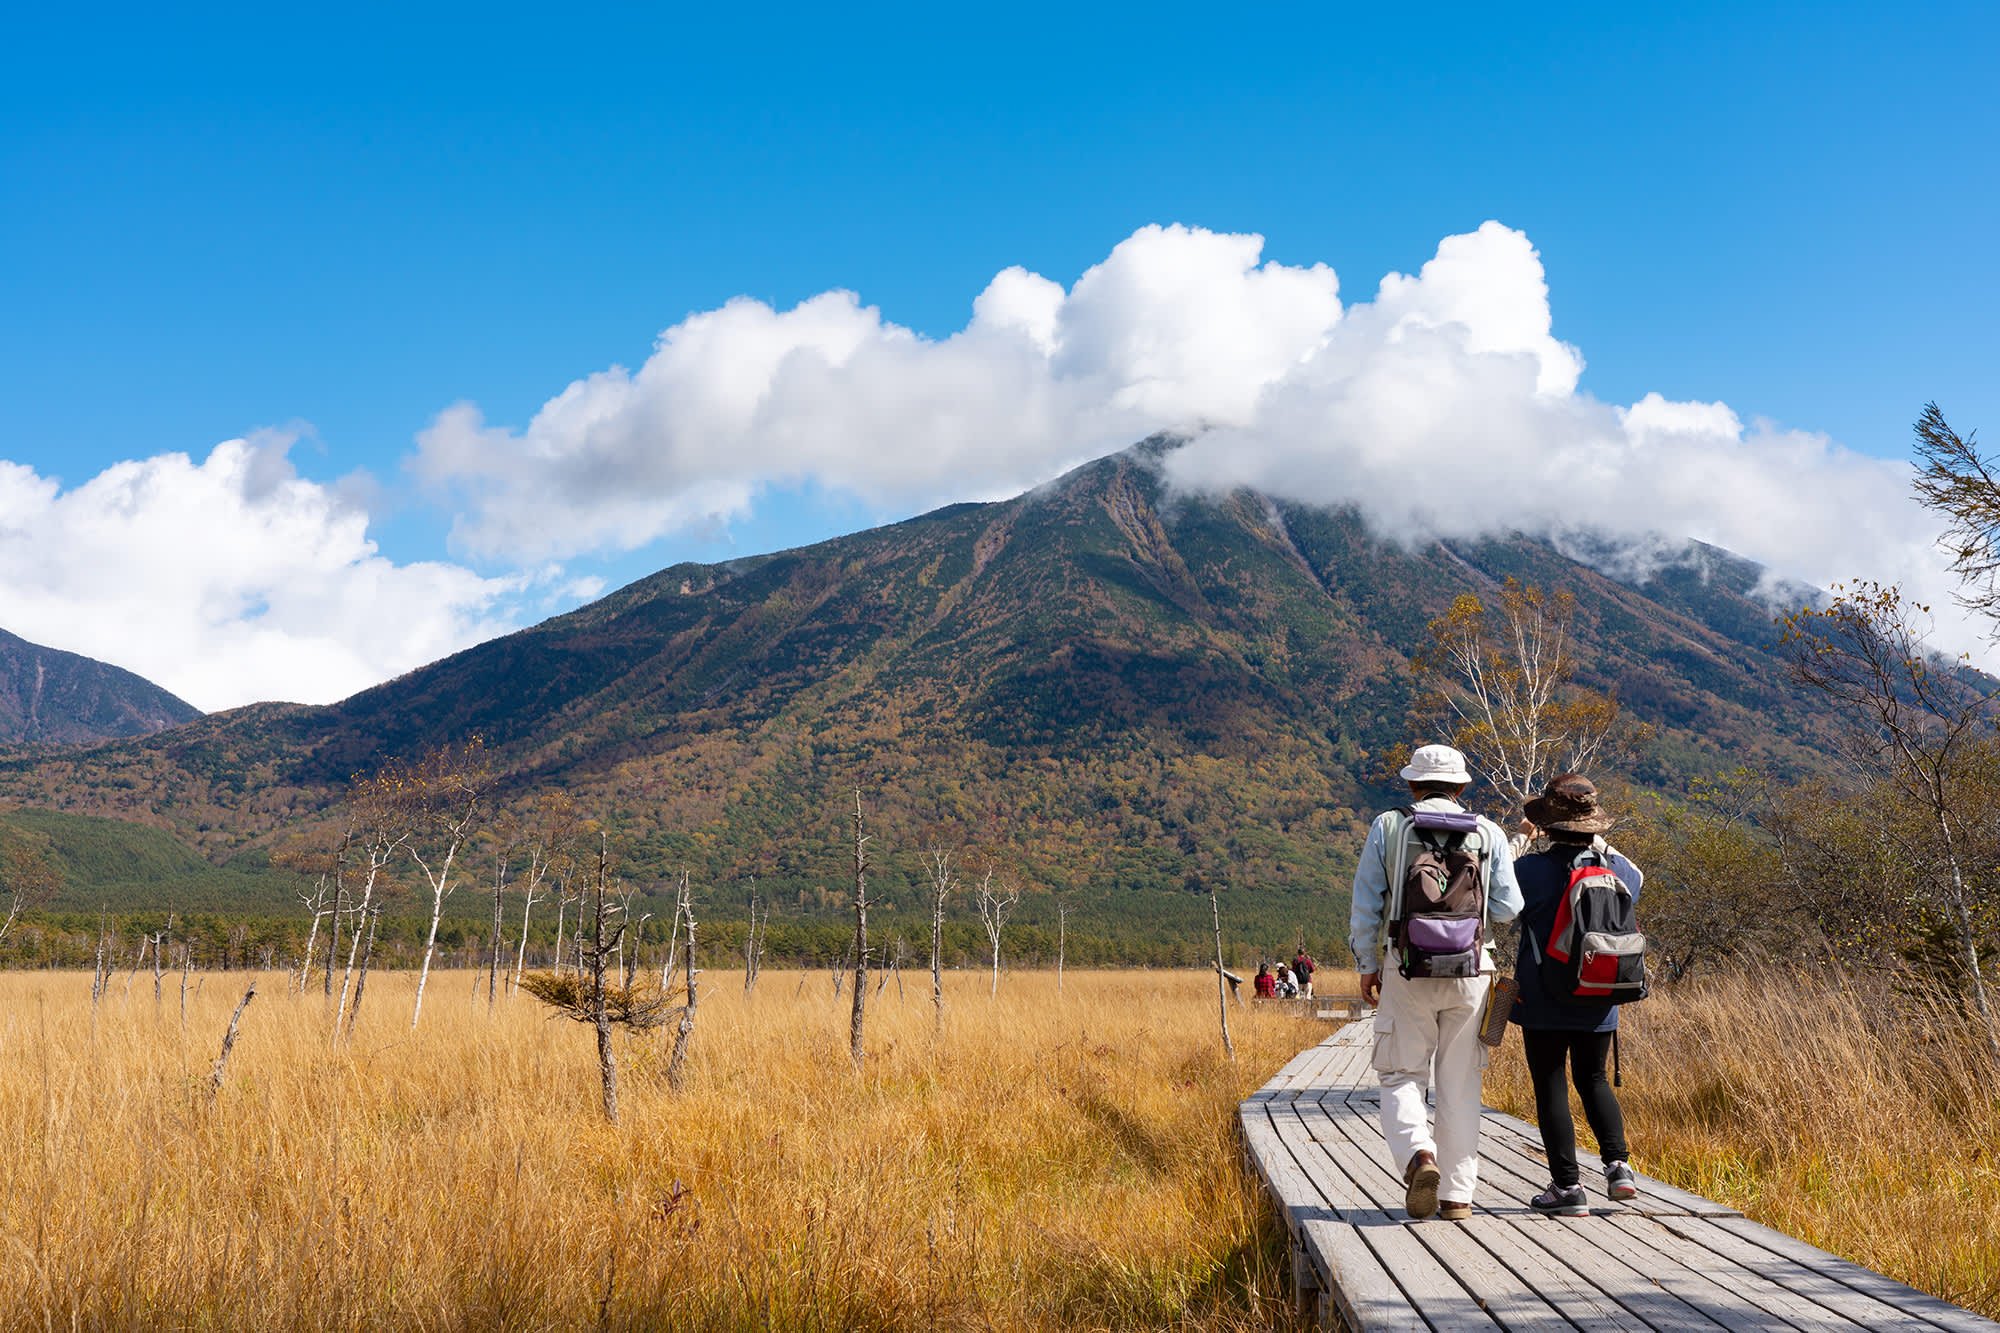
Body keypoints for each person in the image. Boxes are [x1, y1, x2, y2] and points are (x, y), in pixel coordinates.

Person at [1350, 743, 1522, 1221]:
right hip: (1473, 968)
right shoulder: (1487, 832)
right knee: (1461, 1085)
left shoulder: (1390, 825)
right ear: (1463, 787)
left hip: (1406, 967)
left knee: (1401, 1074)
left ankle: (1419, 1156)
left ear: (1411, 784)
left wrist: (1367, 962)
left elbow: (1367, 903)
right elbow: (1508, 909)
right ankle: (1457, 1198)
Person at [1510, 773, 1642, 1217]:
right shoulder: (1616, 870)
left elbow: (1500, 907)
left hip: (1542, 998)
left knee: (1551, 1086)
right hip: (1600, 995)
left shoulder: (1528, 871)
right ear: (1593, 826)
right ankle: (1618, 1168)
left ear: (1548, 826)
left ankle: (1567, 1188)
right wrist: (1599, 843)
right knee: (1594, 1079)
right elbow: (1637, 877)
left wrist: (1521, 840)